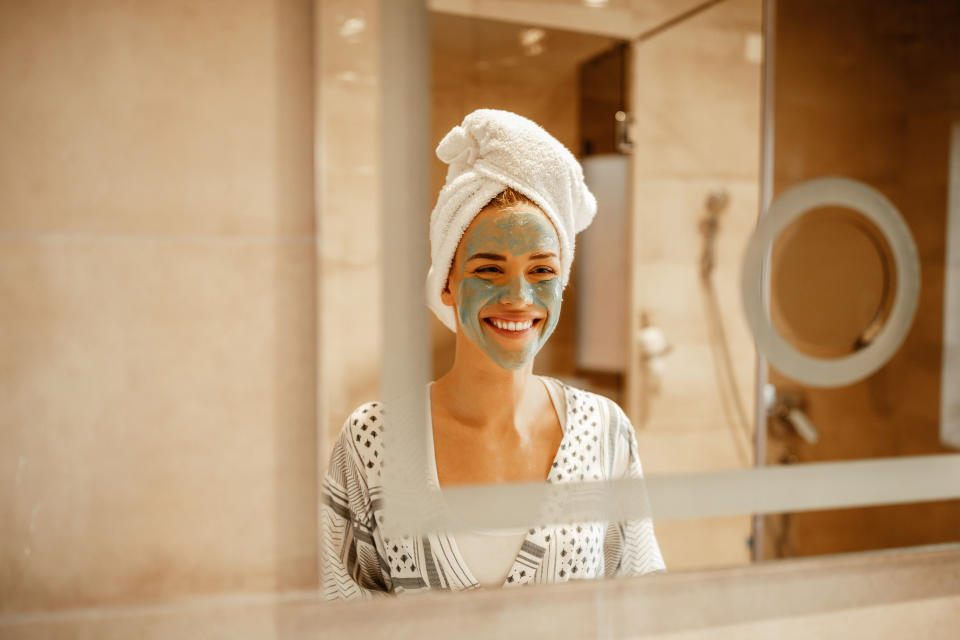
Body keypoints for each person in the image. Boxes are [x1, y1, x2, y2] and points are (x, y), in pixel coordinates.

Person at [321, 109, 664, 599]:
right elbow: (332, 614)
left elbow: (642, 605)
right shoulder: (373, 441)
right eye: (489, 268)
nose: (520, 296)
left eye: (542, 270)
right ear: (447, 282)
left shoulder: (604, 433)